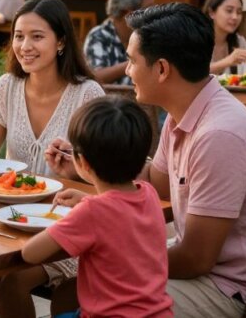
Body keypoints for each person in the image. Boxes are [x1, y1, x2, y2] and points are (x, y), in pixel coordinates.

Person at [49, 2, 246, 317]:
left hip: (235, 290)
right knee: (73, 289)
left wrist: (115, 253)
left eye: (131, 61)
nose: (126, 71)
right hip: (212, 271)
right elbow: (156, 184)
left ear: (162, 69)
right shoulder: (185, 111)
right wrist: (90, 170)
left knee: (93, 288)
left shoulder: (219, 135)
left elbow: (197, 259)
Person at [0, 0, 104, 318]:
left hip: (65, 225)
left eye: (37, 36)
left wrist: (73, 166)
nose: (24, 46)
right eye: (19, 36)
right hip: (11, 218)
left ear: (61, 41)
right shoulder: (8, 86)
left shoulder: (87, 94)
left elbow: (104, 176)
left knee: (9, 282)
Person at [23, 96, 172, 318]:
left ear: (82, 162)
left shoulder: (91, 212)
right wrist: (86, 200)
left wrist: (77, 214)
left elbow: (30, 253)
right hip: (158, 313)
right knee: (66, 299)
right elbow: (118, 211)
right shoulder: (148, 194)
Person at [84, 0, 154, 85]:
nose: (153, 14)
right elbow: (96, 77)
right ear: (129, 13)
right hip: (109, 100)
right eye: (147, 9)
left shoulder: (148, 35)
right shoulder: (99, 36)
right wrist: (135, 62)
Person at [205, 0, 246, 75]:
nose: (235, 17)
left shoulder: (240, 41)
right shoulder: (196, 40)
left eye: (239, 12)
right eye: (229, 11)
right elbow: (191, 73)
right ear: (211, 12)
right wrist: (228, 61)